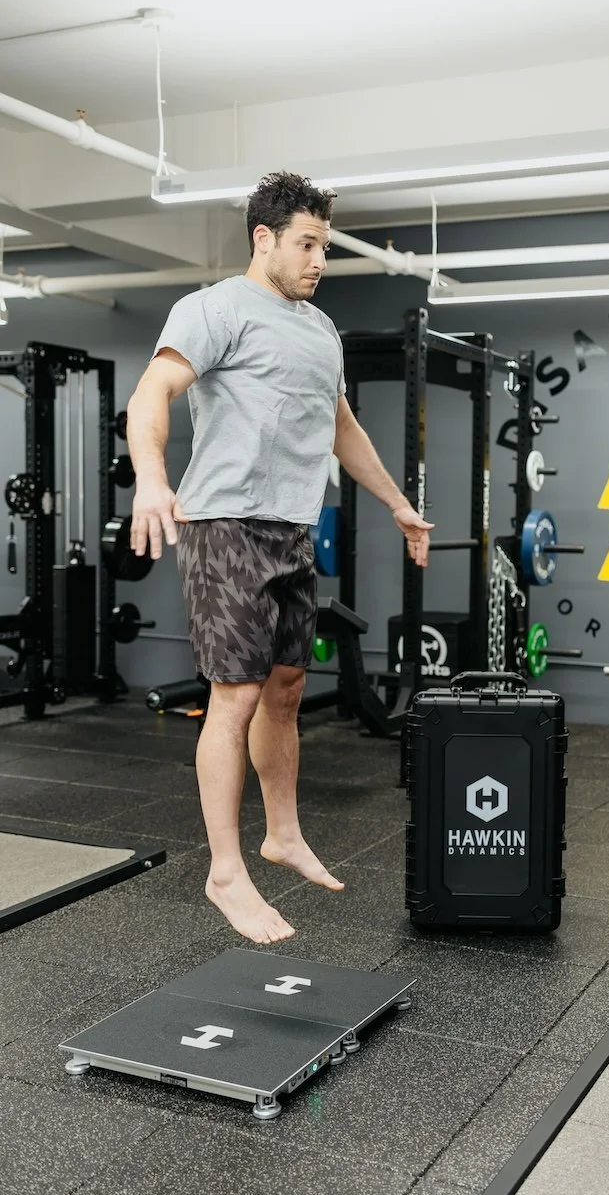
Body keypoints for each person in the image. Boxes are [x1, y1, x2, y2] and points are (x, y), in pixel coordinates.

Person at [126, 171, 433, 945]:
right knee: (234, 696)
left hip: (292, 528)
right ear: (263, 239)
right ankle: (225, 871)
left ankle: (283, 832)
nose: (319, 259)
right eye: (307, 243)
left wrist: (397, 503)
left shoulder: (320, 331)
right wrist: (153, 481)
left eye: (324, 245)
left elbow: (343, 430)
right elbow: (151, 393)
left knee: (288, 687)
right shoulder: (215, 309)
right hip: (225, 524)